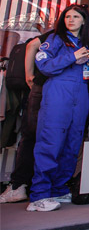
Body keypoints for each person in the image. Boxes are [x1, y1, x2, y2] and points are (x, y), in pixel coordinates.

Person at [28, 4, 89, 212]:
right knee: (51, 142)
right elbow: (44, 65)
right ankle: (39, 195)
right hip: (58, 93)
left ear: (84, 21)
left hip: (80, 95)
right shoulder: (56, 39)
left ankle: (58, 188)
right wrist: (72, 57)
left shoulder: (88, 41)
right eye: (67, 16)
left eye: (75, 17)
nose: (70, 20)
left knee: (72, 144)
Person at [0, 27, 55, 204]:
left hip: (47, 89)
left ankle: (23, 185)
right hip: (43, 88)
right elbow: (32, 45)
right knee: (33, 135)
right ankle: (19, 185)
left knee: (36, 136)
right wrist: (29, 75)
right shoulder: (59, 33)